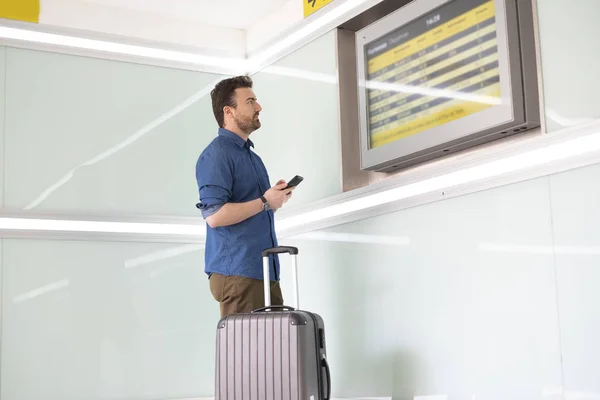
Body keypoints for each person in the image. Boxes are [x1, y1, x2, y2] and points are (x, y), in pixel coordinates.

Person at [195, 76, 295, 318]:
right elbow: (215, 216)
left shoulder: (251, 157)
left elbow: (254, 211)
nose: (258, 107)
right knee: (245, 354)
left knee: (273, 354)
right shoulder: (217, 155)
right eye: (250, 101)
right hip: (239, 273)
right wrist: (264, 202)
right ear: (228, 111)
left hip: (263, 270)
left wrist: (274, 200)